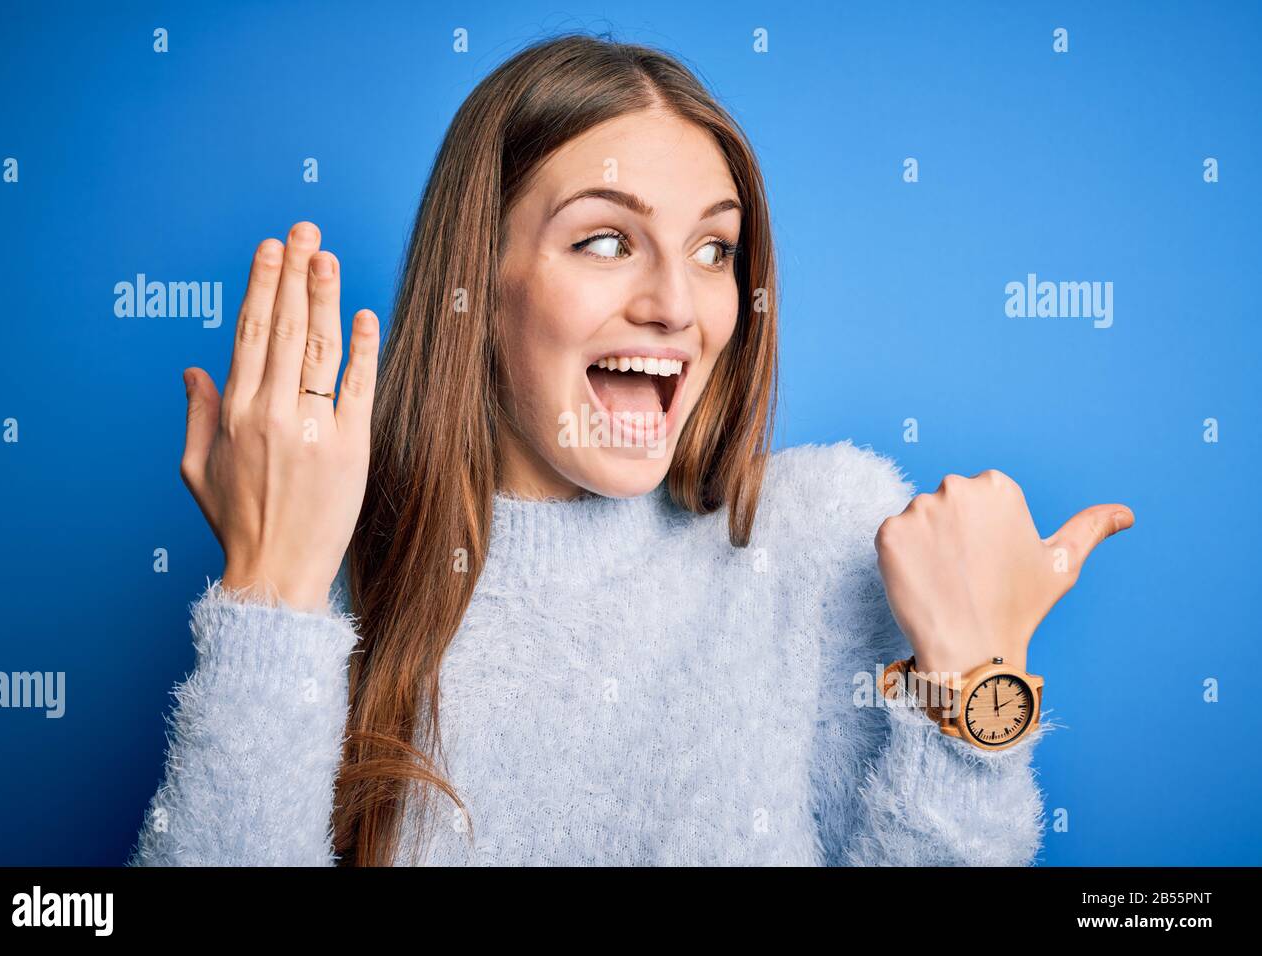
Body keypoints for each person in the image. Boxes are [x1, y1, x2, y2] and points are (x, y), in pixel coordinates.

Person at [128, 33, 1133, 867]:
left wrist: (975, 685)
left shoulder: (823, 542)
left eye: (715, 248)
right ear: (476, 283)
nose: (675, 304)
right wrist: (269, 597)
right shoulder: (339, 574)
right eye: (606, 240)